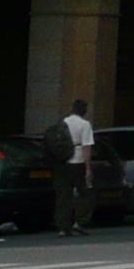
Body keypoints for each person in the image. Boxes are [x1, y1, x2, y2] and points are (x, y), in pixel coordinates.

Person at [53, 102, 96, 237]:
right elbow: (87, 147)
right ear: (84, 111)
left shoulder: (62, 123)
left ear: (72, 109)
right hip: (78, 161)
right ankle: (80, 222)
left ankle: (62, 227)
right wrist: (88, 168)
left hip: (61, 162)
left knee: (63, 195)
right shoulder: (84, 125)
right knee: (86, 193)